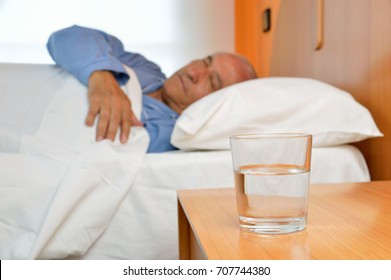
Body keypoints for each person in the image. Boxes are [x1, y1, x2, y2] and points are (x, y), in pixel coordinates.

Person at [47, 25, 257, 152]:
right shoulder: (147, 69)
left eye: (212, 82)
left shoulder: (169, 133)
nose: (194, 72)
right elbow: (67, 37)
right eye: (204, 61)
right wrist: (100, 76)